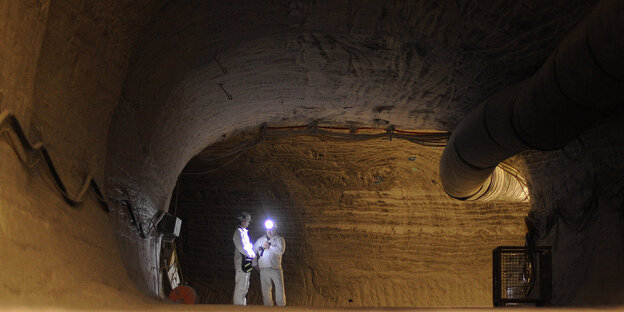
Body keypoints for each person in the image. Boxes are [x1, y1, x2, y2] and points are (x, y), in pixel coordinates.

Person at [252, 219, 286, 306]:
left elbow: (280, 250)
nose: (270, 231)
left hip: (275, 269)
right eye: (269, 230)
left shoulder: (280, 240)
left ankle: (281, 307)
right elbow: (253, 252)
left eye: (272, 230)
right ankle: (268, 308)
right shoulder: (260, 240)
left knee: (279, 288)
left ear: (276, 230)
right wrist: (254, 264)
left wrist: (270, 246)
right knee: (265, 289)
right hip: (263, 269)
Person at [232, 211, 255, 305]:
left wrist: (252, 255)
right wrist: (251, 254)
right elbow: (241, 247)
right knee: (241, 285)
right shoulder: (238, 233)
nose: (249, 223)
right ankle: (238, 307)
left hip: (246, 262)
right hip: (241, 261)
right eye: (248, 221)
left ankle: (242, 306)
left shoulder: (244, 232)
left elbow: (248, 247)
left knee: (245, 286)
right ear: (243, 221)